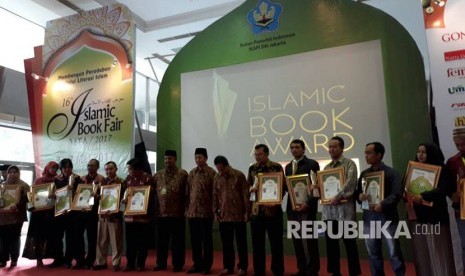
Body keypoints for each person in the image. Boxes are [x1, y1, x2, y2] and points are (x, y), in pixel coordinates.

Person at [355, 142, 405, 276]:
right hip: (369, 217)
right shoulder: (364, 174)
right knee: (373, 253)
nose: (366, 155)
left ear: (379, 155)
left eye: (369, 153)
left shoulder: (392, 173)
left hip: (387, 217)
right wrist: (359, 196)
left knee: (394, 252)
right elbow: (358, 193)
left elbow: (396, 194)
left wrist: (382, 204)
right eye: (365, 153)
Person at [405, 143, 456, 276]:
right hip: (418, 216)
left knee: (438, 251)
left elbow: (443, 189)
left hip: (435, 217)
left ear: (432, 153)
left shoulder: (442, 169)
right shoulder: (413, 169)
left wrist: (423, 196)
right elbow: (406, 188)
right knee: (422, 252)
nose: (420, 155)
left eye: (424, 152)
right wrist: (408, 195)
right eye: (419, 151)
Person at [322, 136, 361, 276]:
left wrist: (336, 197)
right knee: (331, 246)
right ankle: (335, 272)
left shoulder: (349, 164)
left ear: (342, 148)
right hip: (329, 212)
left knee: (350, 245)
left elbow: (350, 183)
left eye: (334, 146)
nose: (331, 149)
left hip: (346, 213)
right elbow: (324, 188)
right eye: (329, 147)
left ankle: (354, 272)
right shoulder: (326, 168)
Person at [247, 144, 284, 276]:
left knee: (276, 243)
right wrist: (251, 190)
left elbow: (282, 187)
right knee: (257, 244)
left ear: (267, 154)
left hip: (273, 211)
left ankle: (278, 270)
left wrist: (276, 201)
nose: (257, 157)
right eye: (255, 154)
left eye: (260, 154)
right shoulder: (252, 168)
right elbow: (249, 186)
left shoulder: (276, 167)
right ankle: (259, 270)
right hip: (257, 212)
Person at [284, 139, 320, 276]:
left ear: (303, 149)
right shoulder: (288, 167)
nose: (294, 150)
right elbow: (287, 187)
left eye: (297, 147)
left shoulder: (312, 164)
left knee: (309, 240)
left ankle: (312, 270)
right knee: (297, 239)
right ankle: (302, 268)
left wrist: (308, 203)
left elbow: (316, 186)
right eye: (292, 147)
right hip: (292, 207)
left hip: (307, 207)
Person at [212, 156, 249, 276]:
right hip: (224, 215)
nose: (220, 172)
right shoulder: (217, 177)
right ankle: (228, 267)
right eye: (218, 169)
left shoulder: (239, 175)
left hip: (238, 215)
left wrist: (247, 212)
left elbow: (245, 195)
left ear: (227, 165)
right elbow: (215, 196)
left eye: (222, 169)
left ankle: (242, 267)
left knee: (241, 243)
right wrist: (215, 213)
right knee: (226, 244)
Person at [153, 150, 188, 272]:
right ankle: (160, 263)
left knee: (177, 242)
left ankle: (177, 264)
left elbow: (187, 193)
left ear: (176, 159)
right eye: (166, 159)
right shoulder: (157, 175)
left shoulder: (183, 174)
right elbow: (153, 194)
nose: (168, 161)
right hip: (161, 214)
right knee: (161, 241)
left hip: (178, 213)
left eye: (170, 159)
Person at [186, 148, 216, 274]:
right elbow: (188, 193)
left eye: (200, 157)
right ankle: (196, 264)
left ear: (206, 158)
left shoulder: (212, 173)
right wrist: (187, 209)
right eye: (196, 157)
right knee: (195, 240)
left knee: (207, 241)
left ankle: (207, 266)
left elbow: (215, 193)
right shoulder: (192, 173)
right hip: (193, 213)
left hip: (206, 212)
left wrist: (215, 210)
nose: (198, 160)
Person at [22, 161, 59, 267]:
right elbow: (33, 195)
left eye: (56, 169)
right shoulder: (39, 180)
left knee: (51, 235)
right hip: (39, 213)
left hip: (51, 212)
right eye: (52, 168)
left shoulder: (57, 180)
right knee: (38, 236)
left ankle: (52, 256)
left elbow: (61, 195)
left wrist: (56, 196)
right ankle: (38, 258)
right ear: (47, 168)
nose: (54, 170)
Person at [47, 158, 82, 268]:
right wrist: (52, 195)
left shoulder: (77, 179)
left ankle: (68, 259)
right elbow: (52, 193)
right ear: (61, 169)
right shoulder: (56, 179)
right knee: (57, 237)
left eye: (69, 167)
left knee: (71, 237)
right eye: (64, 167)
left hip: (73, 214)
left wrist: (73, 192)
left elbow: (82, 195)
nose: (67, 169)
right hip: (59, 212)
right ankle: (58, 259)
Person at [92, 161, 125, 271]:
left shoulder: (122, 182)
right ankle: (101, 262)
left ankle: (116, 263)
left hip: (115, 216)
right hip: (102, 215)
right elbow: (99, 198)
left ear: (116, 169)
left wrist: (118, 210)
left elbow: (124, 201)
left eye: (111, 169)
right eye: (106, 169)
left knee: (116, 241)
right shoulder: (102, 182)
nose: (108, 171)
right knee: (101, 240)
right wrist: (95, 195)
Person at [124, 157, 155, 272]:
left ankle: (140, 264)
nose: (129, 171)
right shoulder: (127, 179)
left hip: (143, 218)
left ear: (138, 169)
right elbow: (125, 195)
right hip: (130, 218)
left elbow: (151, 199)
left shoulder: (148, 179)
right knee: (130, 242)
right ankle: (130, 263)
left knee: (142, 243)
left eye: (130, 169)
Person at [73, 159, 104, 269]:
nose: (90, 167)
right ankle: (79, 260)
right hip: (80, 211)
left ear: (97, 167)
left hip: (93, 212)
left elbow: (104, 196)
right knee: (77, 236)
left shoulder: (101, 179)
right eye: (88, 165)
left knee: (92, 237)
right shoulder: (81, 179)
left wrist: (98, 196)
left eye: (92, 165)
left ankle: (90, 260)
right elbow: (77, 194)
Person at [0, 165, 29, 268]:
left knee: (14, 238)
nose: (13, 174)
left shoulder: (24, 185)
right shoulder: (2, 186)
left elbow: (27, 200)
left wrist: (17, 205)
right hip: (3, 217)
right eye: (10, 172)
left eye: (15, 172)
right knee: (3, 238)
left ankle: (14, 259)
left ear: (19, 173)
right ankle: (3, 260)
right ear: (7, 174)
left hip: (17, 217)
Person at [447, 127, 465, 272]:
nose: (460, 147)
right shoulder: (452, 162)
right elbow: (447, 186)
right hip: (462, 210)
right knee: (464, 244)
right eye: (457, 145)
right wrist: (452, 194)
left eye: (463, 144)